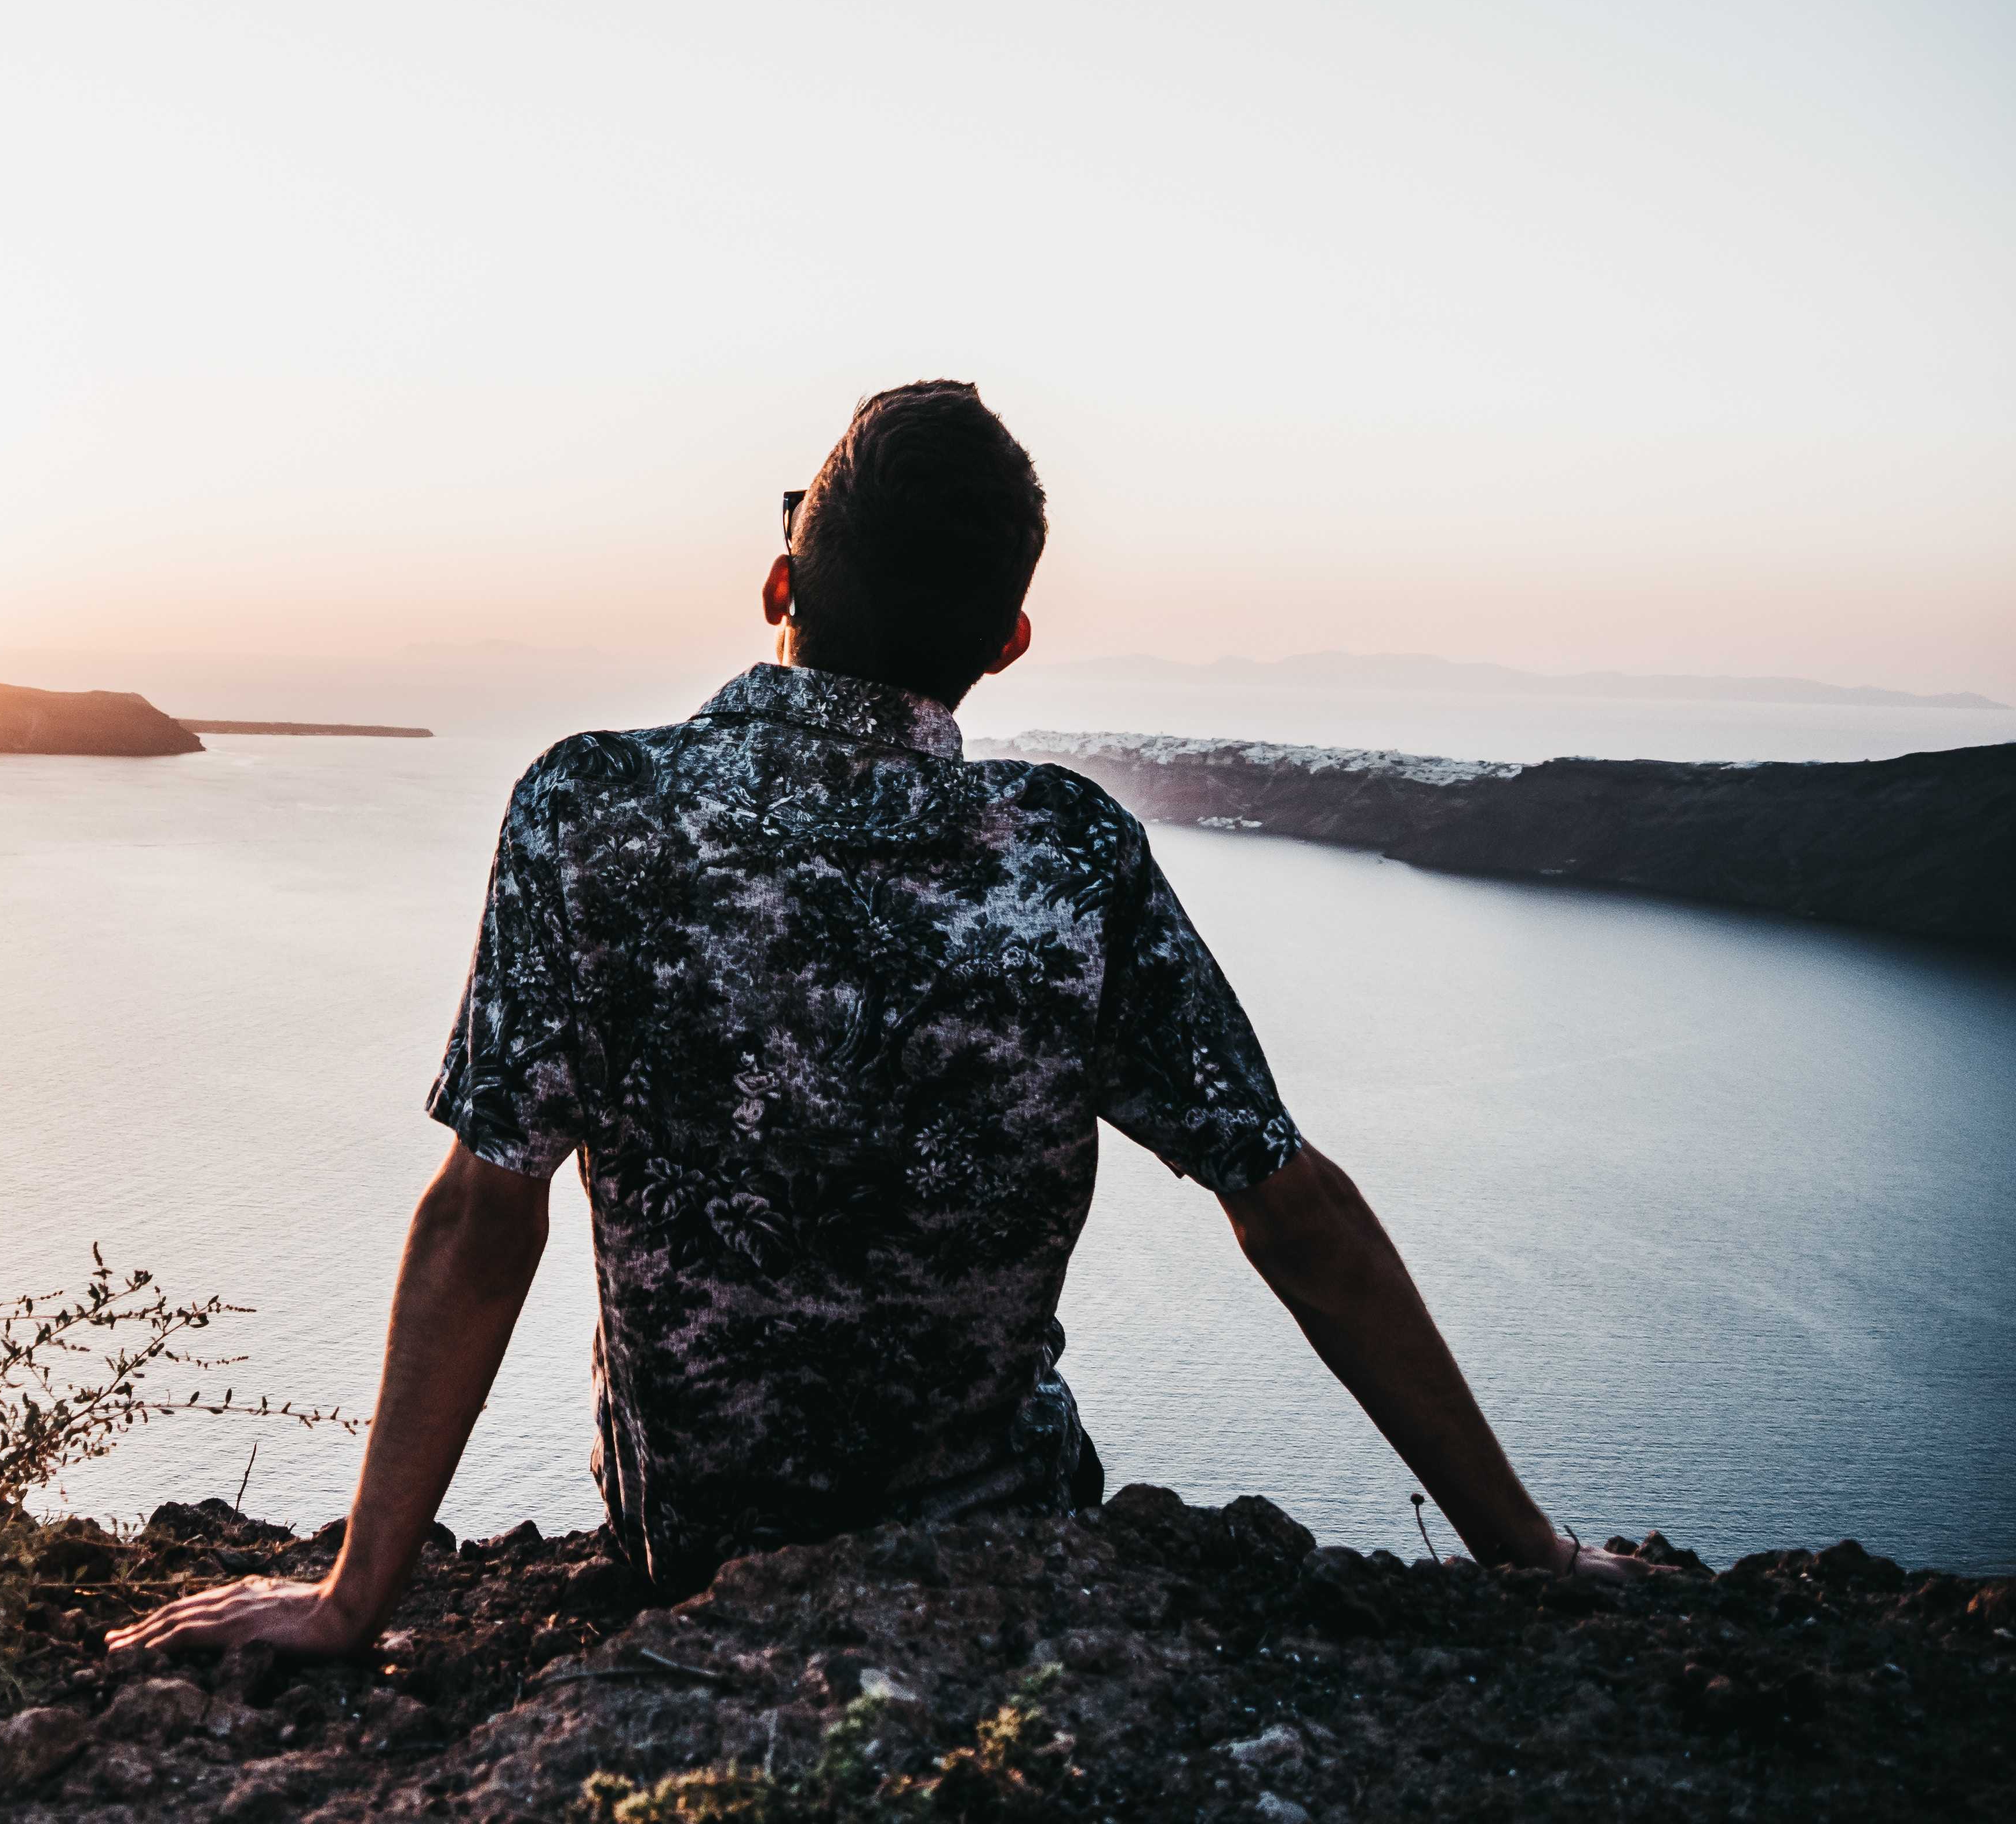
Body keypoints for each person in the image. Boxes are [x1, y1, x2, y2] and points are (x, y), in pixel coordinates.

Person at [114, 380, 1642, 1659]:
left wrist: (350, 1597)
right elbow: (1290, 1211)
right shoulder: (1071, 857)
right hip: (1011, 1571)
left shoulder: (592, 812)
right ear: (1006, 644)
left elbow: (482, 1217)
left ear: (782, 583)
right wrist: (1530, 1554)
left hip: (691, 1568)